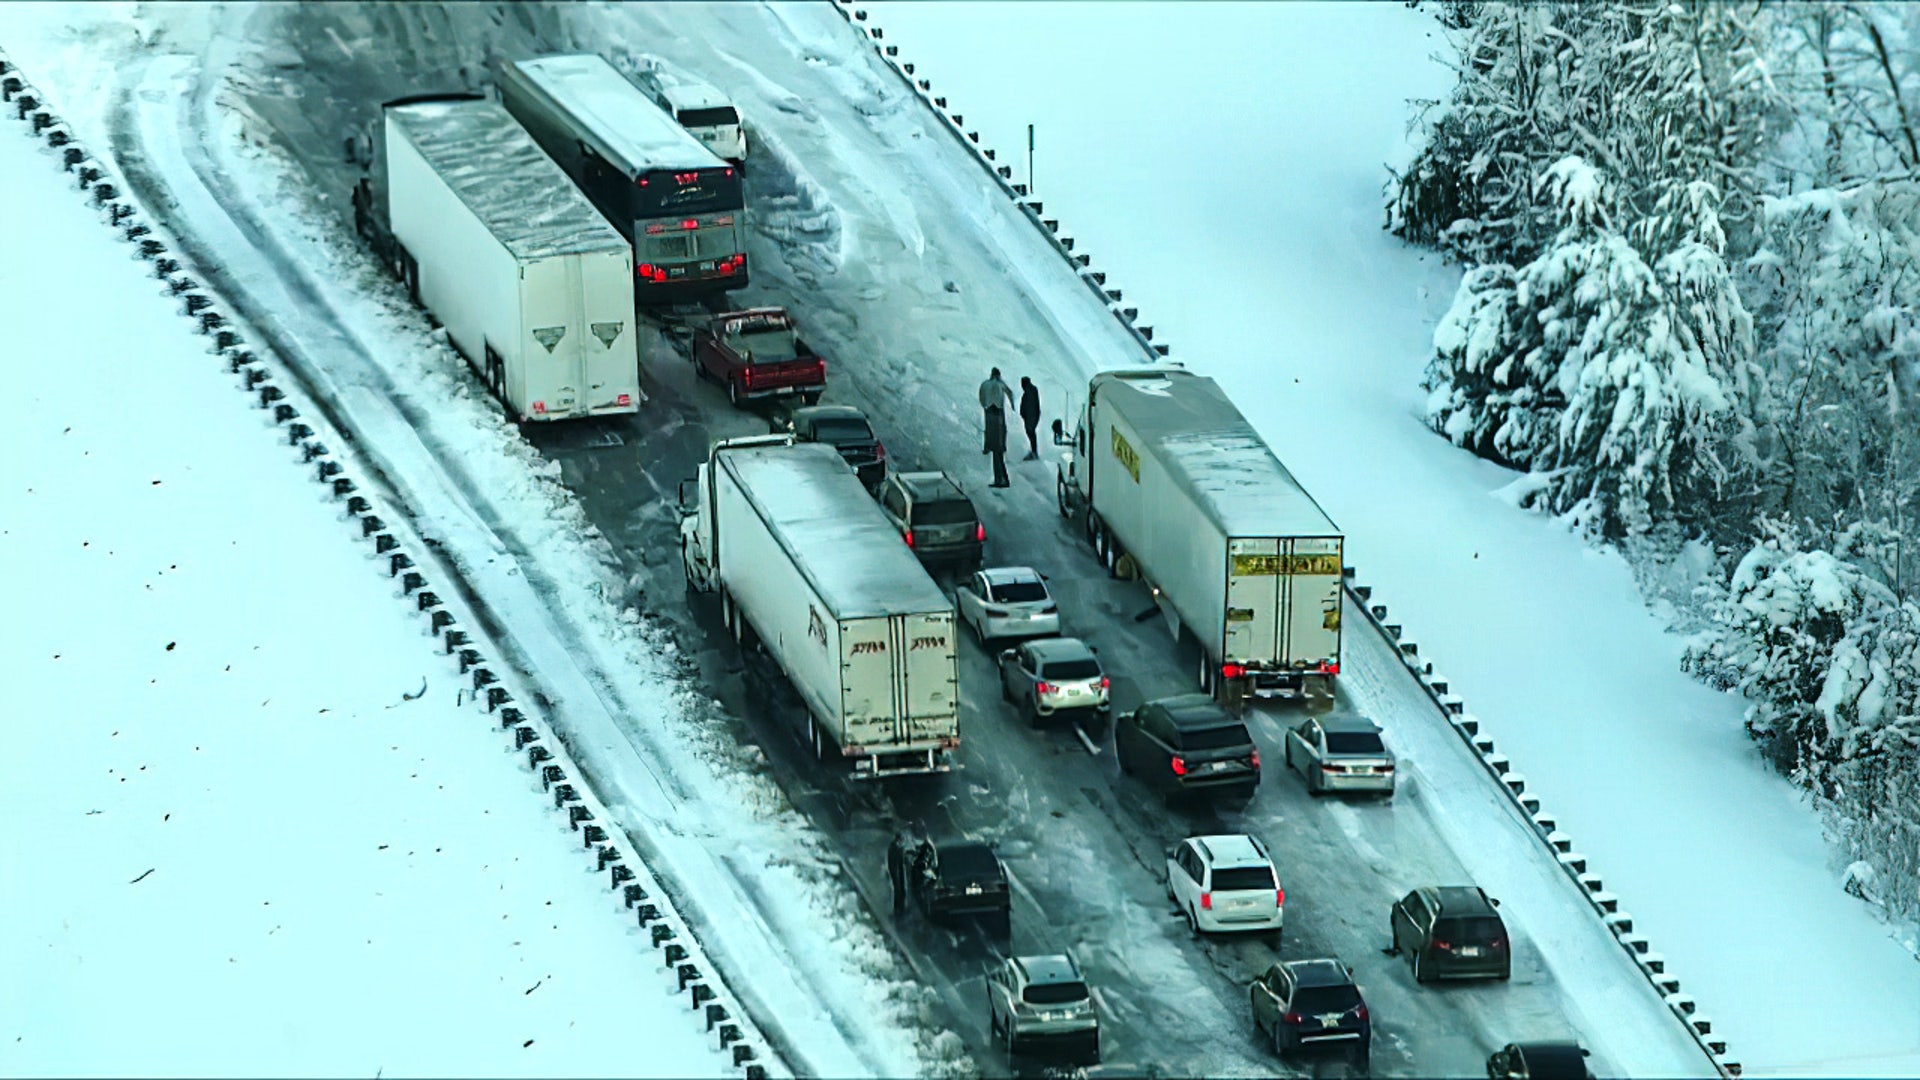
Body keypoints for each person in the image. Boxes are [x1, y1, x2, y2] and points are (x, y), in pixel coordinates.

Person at [979, 368, 1015, 454]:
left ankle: (987, 447)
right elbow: (1009, 392)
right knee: (1001, 428)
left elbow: (981, 395)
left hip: (988, 408)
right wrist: (1012, 405)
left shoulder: (985, 384)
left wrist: (984, 405)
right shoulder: (1000, 383)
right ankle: (1001, 446)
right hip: (998, 408)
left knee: (988, 428)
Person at [887, 827, 912, 915]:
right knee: (898, 890)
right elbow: (893, 863)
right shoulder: (894, 848)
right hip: (896, 872)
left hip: (900, 872)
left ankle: (901, 908)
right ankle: (898, 909)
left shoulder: (898, 848)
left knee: (901, 890)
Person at [985, 403, 1010, 488]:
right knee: (1000, 461)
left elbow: (989, 432)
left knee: (997, 462)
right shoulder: (999, 417)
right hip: (998, 443)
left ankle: (1000, 480)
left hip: (995, 444)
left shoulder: (991, 418)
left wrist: (987, 445)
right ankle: (1002, 479)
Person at [1018, 377, 1042, 460]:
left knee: (1031, 433)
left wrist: (1024, 414)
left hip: (1030, 417)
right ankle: (1034, 451)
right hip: (1031, 417)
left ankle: (1034, 452)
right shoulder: (1032, 390)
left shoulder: (1029, 392)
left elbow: (1029, 406)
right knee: (1031, 434)